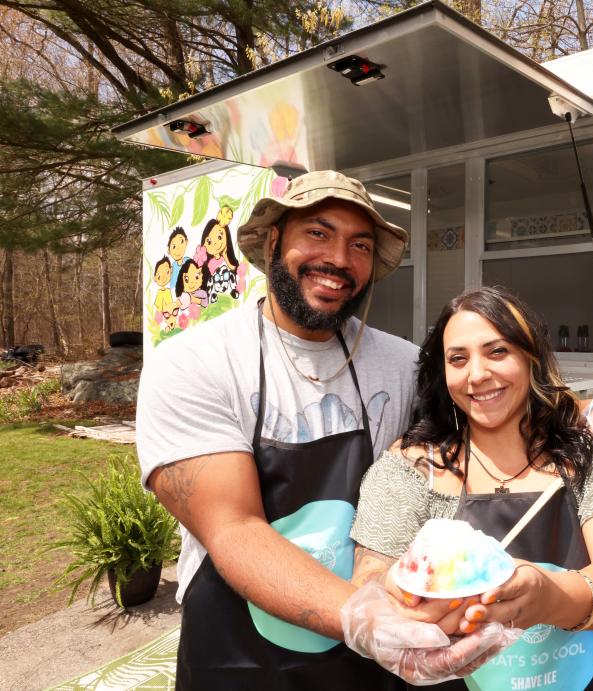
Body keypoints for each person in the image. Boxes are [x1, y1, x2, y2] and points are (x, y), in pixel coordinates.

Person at [136, 171, 498, 689]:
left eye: (361, 245)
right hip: (242, 652)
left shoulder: (402, 363)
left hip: (372, 653)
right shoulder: (196, 363)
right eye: (319, 233)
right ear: (275, 240)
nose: (340, 260)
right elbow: (234, 528)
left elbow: (489, 403)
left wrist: (579, 412)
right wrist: (364, 619)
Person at [346, 286, 593, 690]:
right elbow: (370, 576)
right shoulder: (412, 467)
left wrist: (551, 596)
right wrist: (388, 611)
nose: (476, 374)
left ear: (531, 358)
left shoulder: (584, 455)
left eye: (497, 352)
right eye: (458, 359)